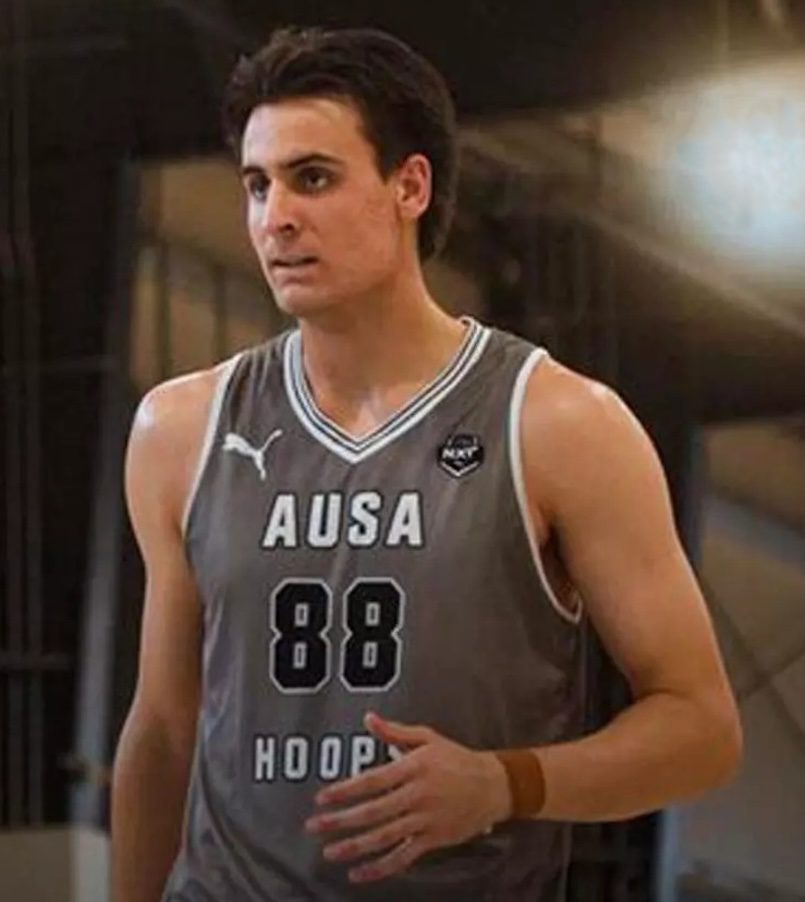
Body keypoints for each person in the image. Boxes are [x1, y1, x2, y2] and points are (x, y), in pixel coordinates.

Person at [111, 26, 742, 902]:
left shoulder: (558, 423)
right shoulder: (181, 427)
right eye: (257, 184)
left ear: (409, 185)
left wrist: (505, 783)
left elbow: (701, 728)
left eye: (312, 178)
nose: (274, 216)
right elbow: (162, 728)